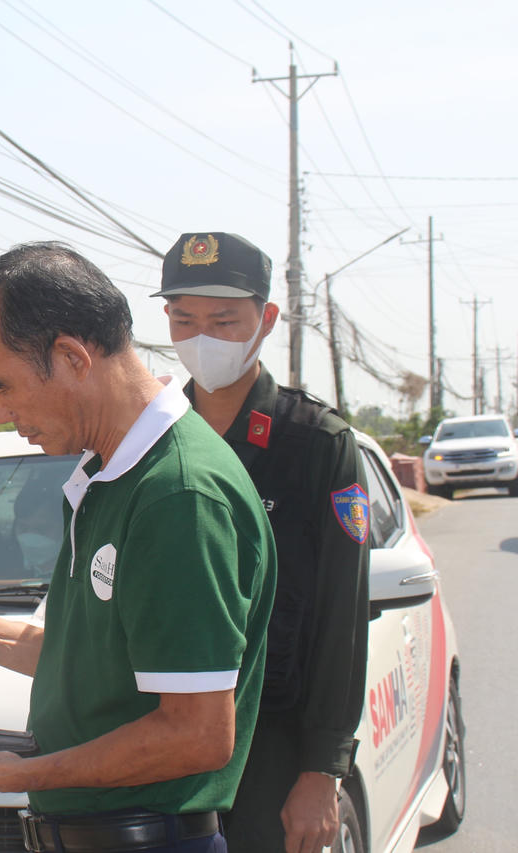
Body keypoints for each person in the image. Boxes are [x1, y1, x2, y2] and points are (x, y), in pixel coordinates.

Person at [0, 242, 276, 853]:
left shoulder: (178, 495)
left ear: (70, 356)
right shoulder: (107, 474)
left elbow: (196, 734)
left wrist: (10, 774)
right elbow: (99, 667)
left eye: (2, 385)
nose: (0, 411)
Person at [154, 232, 370, 853]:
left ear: (266, 319)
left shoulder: (317, 445)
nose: (202, 336)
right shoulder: (152, 436)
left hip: (274, 749)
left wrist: (322, 770)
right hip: (165, 744)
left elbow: (340, 617)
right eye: (184, 318)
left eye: (225, 319)